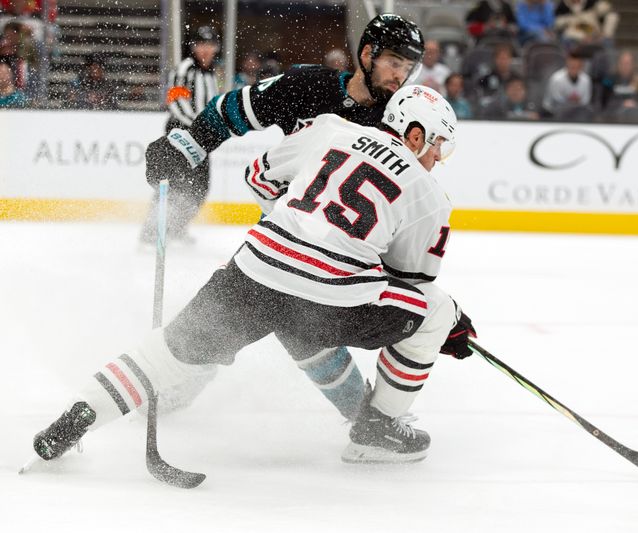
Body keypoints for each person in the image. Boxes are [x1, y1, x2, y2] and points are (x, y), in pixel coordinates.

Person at [32, 85, 477, 466]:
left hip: (254, 270)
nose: (438, 158)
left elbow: (260, 177)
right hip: (327, 302)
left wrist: (306, 230)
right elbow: (410, 282)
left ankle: (76, 416)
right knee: (439, 310)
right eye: (438, 145)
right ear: (414, 134)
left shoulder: (330, 129)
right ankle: (377, 432)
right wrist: (449, 328)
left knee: (167, 352)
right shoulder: (429, 194)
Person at [141, 14, 426, 423]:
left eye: (408, 66)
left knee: (308, 329)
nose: (401, 75)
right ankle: (169, 384)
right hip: (284, 233)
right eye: (394, 62)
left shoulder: (398, 121)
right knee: (227, 315)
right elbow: (233, 110)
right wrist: (186, 145)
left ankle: (367, 423)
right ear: (367, 53)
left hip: (345, 250)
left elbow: (406, 200)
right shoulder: (308, 86)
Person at [139, 25, 221, 245]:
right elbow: (176, 102)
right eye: (201, 44)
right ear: (193, 47)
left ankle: (175, 229)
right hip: (181, 134)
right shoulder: (185, 69)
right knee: (170, 184)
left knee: (199, 187)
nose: (205, 50)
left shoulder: (212, 73)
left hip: (202, 138)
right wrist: (199, 126)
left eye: (210, 45)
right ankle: (151, 234)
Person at [541, 52, 592, 118]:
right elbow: (556, 100)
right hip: (553, 112)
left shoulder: (586, 80)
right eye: (572, 66)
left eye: (576, 66)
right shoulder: (557, 79)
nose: (574, 69)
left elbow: (586, 100)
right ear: (567, 64)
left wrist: (576, 103)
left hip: (577, 113)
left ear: (581, 66)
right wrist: (571, 101)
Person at [599, 50, 638, 115]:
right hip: (612, 118)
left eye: (628, 63)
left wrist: (634, 103)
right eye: (622, 63)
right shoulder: (608, 80)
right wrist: (622, 103)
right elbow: (603, 101)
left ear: (633, 65)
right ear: (618, 64)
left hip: (634, 118)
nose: (625, 66)